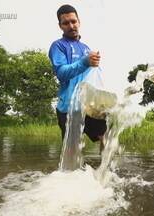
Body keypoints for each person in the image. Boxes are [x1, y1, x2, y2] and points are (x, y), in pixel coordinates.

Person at [49, 4, 106, 152]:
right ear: (60, 26)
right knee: (72, 151)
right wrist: (85, 61)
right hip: (68, 108)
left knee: (105, 138)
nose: (71, 25)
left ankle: (105, 172)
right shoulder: (58, 46)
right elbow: (61, 72)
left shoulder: (86, 48)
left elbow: (95, 77)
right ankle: (70, 175)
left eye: (73, 21)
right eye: (66, 23)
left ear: (79, 22)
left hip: (88, 106)